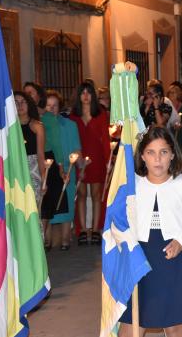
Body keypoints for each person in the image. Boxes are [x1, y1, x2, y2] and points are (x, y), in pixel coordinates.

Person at [118, 126, 182, 337]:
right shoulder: (132, 187)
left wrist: (181, 240)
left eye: (163, 152)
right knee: (133, 322)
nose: (157, 159)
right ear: (142, 156)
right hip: (140, 256)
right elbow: (118, 221)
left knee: (174, 322)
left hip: (175, 256)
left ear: (172, 155)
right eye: (151, 152)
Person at [69, 82, 111, 246]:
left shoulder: (100, 114)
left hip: (97, 159)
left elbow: (105, 141)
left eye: (88, 92)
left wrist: (108, 161)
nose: (85, 95)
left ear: (93, 96)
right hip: (79, 159)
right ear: (78, 96)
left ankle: (95, 230)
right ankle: (83, 230)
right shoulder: (73, 116)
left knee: (95, 194)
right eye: (82, 93)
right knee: (81, 194)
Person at [45, 90, 81, 251]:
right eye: (48, 106)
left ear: (59, 107)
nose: (51, 109)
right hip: (48, 169)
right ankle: (47, 240)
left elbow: (76, 147)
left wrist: (77, 160)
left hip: (67, 167)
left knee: (67, 204)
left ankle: (66, 239)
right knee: (48, 206)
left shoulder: (70, 125)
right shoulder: (41, 125)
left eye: (55, 106)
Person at [15, 91, 46, 214]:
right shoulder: (8, 127)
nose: (20, 105)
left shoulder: (37, 126)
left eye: (23, 102)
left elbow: (40, 154)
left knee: (33, 207)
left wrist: (44, 177)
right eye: (16, 102)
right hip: (15, 167)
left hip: (33, 168)